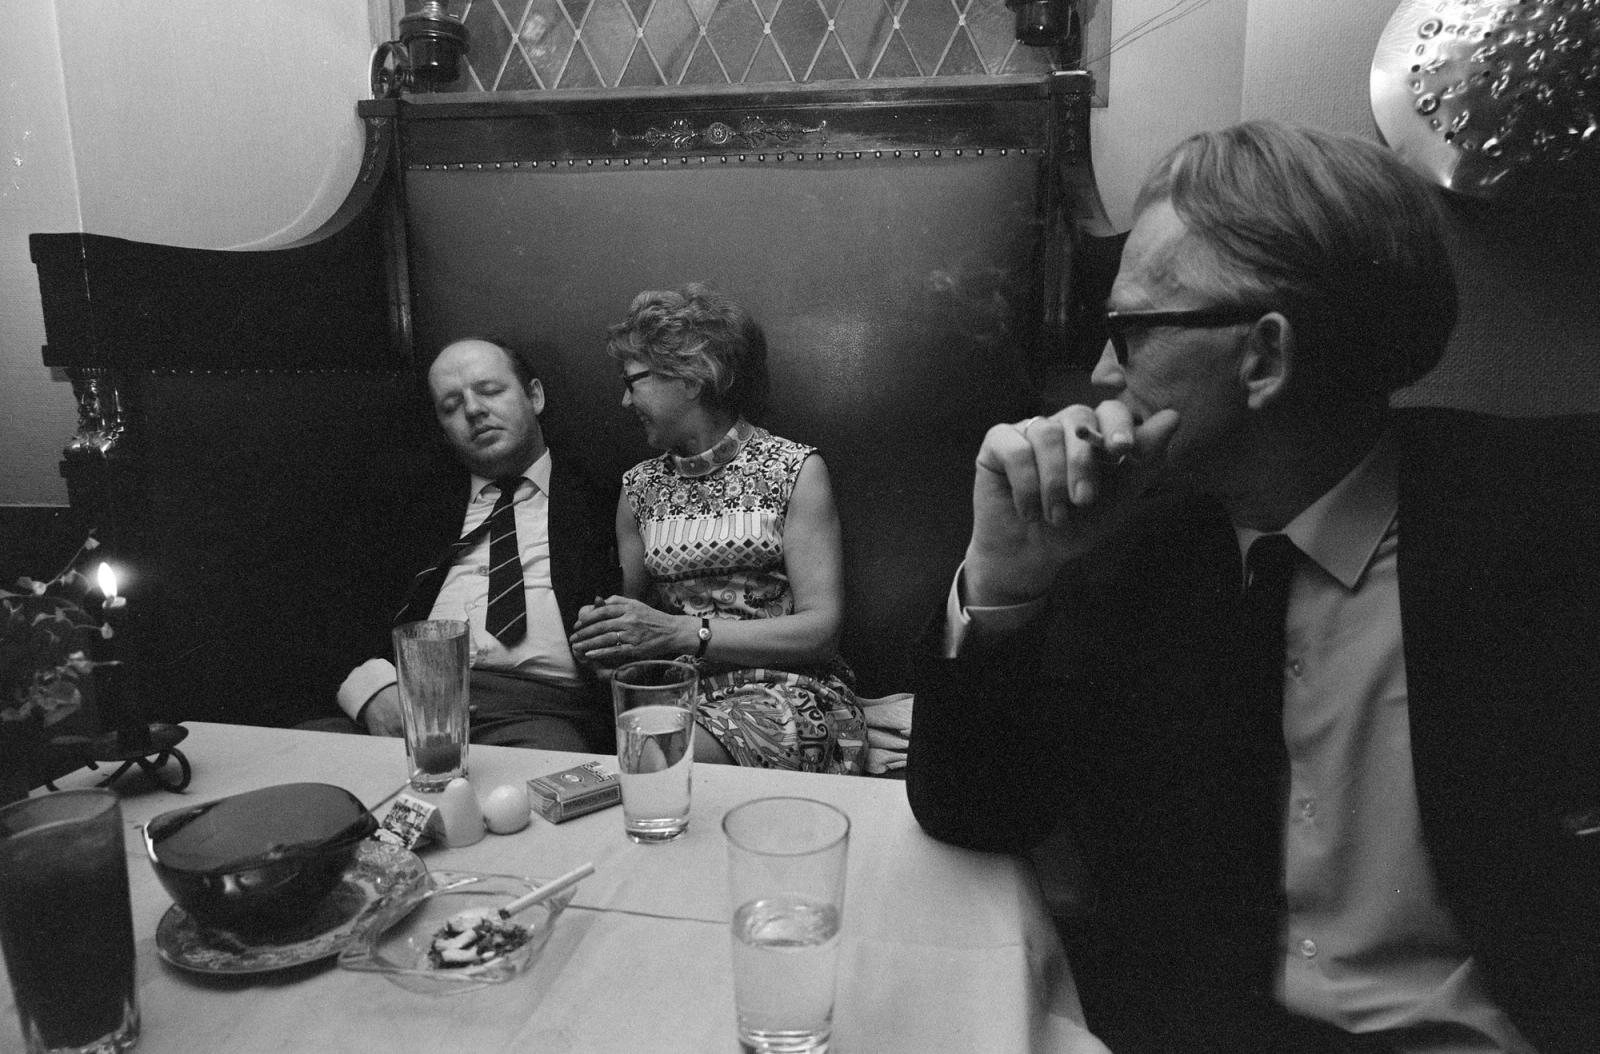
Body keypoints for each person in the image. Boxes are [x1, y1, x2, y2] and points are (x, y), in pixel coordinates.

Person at [906, 120, 1600, 1053]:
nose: (1102, 372)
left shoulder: (1556, 522)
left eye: (1130, 332)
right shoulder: (1131, 550)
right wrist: (1005, 576)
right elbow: (977, 811)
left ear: (1265, 358)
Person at [570, 285, 867, 774]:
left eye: (633, 381)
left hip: (788, 694)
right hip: (676, 697)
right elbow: (630, 626)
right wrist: (605, 637)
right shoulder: (638, 488)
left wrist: (682, 632)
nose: (624, 400)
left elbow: (820, 632)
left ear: (689, 377)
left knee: (655, 758)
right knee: (648, 749)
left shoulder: (792, 468)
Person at [329, 338, 618, 753]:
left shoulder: (606, 496)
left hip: (541, 713)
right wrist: (371, 690)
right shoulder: (405, 505)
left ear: (534, 396)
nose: (473, 410)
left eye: (490, 391)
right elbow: (336, 610)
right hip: (412, 701)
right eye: (451, 406)